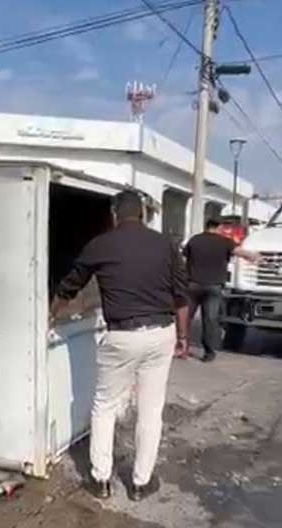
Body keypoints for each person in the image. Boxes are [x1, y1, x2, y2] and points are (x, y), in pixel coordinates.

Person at [50, 190, 189, 501]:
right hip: (160, 333)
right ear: (142, 213)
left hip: (122, 336)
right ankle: (141, 483)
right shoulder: (166, 244)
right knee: (151, 410)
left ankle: (101, 480)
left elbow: (70, 285)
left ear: (114, 214)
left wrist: (51, 313)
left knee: (105, 405)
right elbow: (181, 295)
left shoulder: (101, 244)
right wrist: (182, 336)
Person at [182, 219, 261, 362]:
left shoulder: (195, 240)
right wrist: (256, 257)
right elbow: (242, 253)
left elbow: (185, 256)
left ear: (206, 226)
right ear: (218, 227)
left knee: (186, 318)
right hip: (214, 286)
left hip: (193, 285)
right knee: (210, 320)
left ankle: (182, 348)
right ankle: (209, 353)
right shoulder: (224, 241)